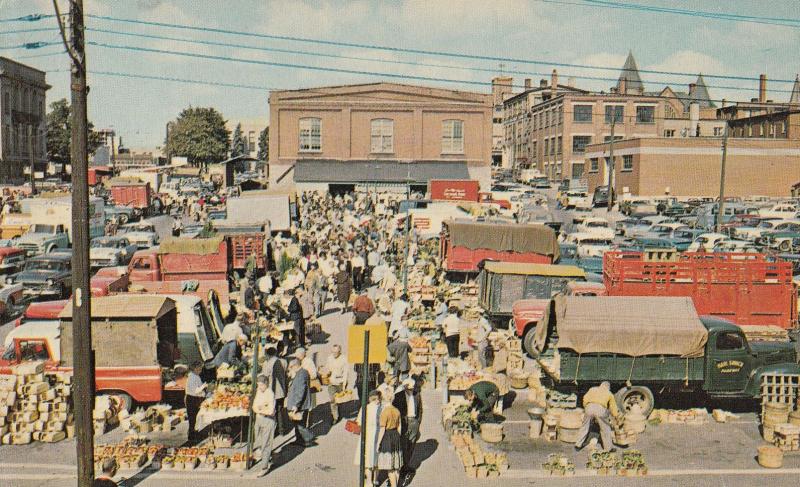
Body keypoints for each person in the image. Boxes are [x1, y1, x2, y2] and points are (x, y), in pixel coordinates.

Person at [575, 381, 620, 452]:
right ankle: (608, 448)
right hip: (600, 409)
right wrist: (616, 416)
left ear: (600, 385)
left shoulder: (592, 389)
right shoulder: (609, 393)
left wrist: (586, 407)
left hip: (589, 407)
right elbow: (613, 407)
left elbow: (585, 398)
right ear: (608, 387)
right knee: (605, 428)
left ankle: (578, 445)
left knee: (584, 426)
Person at [393, 378, 422, 476]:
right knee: (404, 444)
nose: (412, 390)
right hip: (404, 422)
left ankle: (407, 465)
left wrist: (418, 422)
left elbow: (420, 410)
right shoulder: (398, 396)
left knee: (412, 444)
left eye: (412, 388)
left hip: (414, 421)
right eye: (410, 388)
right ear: (405, 387)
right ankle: (402, 466)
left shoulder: (417, 394)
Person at [353, 390, 382, 487]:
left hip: (367, 435)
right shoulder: (381, 408)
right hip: (379, 435)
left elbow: (359, 422)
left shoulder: (365, 408)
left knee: (367, 459)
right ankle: (376, 480)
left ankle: (369, 481)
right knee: (377, 458)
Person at [286, 358, 316, 447]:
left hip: (300, 405)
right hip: (300, 404)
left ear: (295, 366)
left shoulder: (301, 375)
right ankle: (299, 439)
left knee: (300, 425)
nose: (290, 369)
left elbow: (300, 391)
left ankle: (309, 438)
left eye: (291, 367)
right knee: (297, 423)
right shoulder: (301, 373)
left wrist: (296, 405)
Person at [377, 388, 403, 487]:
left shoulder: (384, 412)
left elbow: (382, 429)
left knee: (390, 467)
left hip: (387, 436)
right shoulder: (397, 411)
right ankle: (396, 483)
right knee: (396, 465)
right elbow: (400, 426)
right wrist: (398, 436)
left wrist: (378, 443)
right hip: (396, 435)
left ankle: (393, 485)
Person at [325, 344, 348, 423]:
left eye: (336, 352)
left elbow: (345, 373)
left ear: (339, 351)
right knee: (332, 399)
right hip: (332, 382)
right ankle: (335, 417)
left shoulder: (344, 359)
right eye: (333, 352)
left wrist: (344, 385)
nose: (334, 354)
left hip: (340, 382)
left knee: (340, 399)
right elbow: (327, 368)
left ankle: (339, 411)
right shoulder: (329, 358)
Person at [185, 361, 207, 444]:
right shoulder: (192, 377)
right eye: (199, 369)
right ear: (195, 368)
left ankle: (193, 433)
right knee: (192, 418)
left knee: (194, 418)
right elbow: (196, 391)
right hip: (192, 399)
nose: (200, 370)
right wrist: (203, 386)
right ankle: (191, 437)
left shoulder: (195, 376)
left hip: (193, 398)